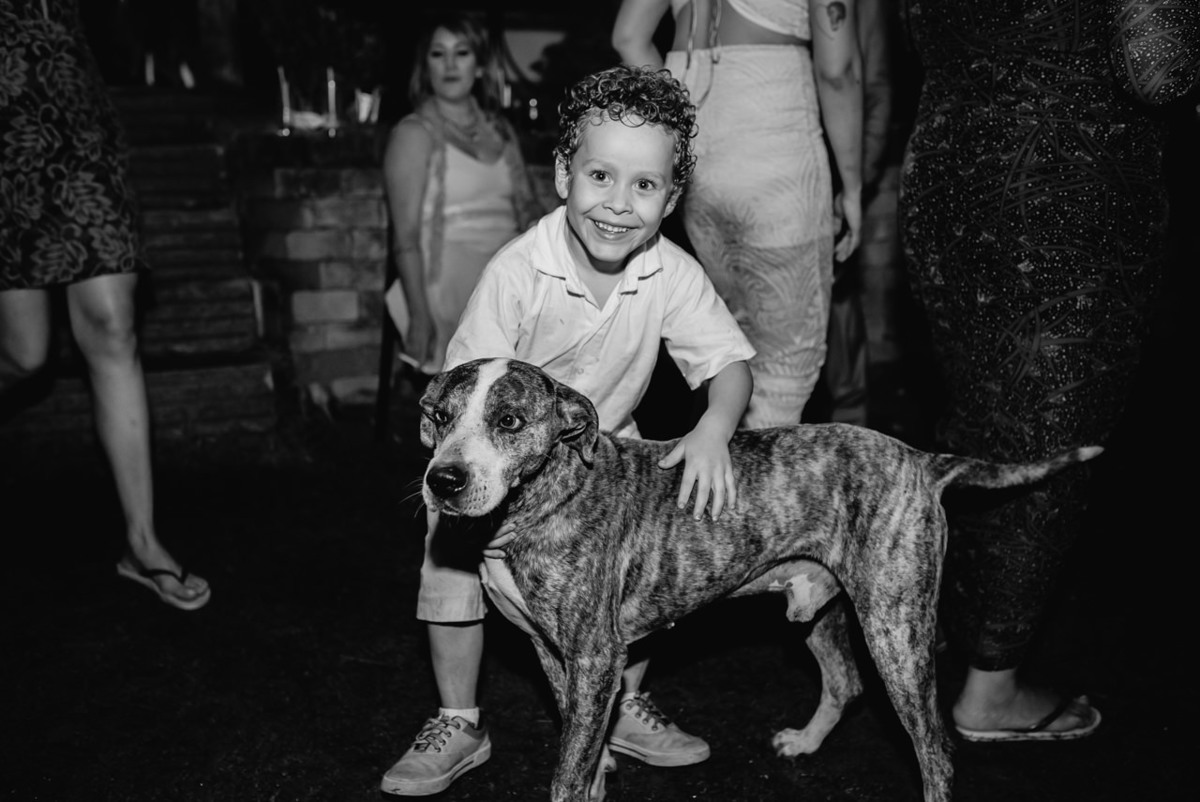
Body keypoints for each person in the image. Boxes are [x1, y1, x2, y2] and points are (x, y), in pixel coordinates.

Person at [381, 64, 755, 796]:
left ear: (671, 198)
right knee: (451, 563)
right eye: (601, 177)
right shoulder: (518, 271)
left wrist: (715, 427)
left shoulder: (671, 273)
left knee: (641, 574)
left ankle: (618, 705)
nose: (618, 204)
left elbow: (731, 364)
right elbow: (459, 394)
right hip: (490, 446)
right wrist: (463, 464)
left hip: (605, 449)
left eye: (644, 186)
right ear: (563, 175)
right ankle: (459, 719)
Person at [899, 0, 1199, 741]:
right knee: (1052, 435)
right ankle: (989, 693)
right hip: (1065, 187)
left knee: (980, 417)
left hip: (948, 173)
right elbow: (1160, 66)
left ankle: (942, 630)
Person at [0, 0, 210, 610]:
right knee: (25, 354)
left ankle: (142, 544)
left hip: (77, 120)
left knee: (114, 326)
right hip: (7, 126)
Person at [613, 0, 862, 428]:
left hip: (703, 146)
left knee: (734, 343)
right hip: (773, 131)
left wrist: (680, 120)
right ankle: (756, 490)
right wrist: (854, 185)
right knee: (787, 366)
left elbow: (629, 37)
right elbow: (838, 72)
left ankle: (722, 475)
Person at [382, 12, 543, 377]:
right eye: (438, 54)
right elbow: (405, 240)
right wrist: (419, 315)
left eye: (462, 52)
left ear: (481, 65)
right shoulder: (413, 134)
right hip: (446, 276)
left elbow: (528, 209)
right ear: (426, 66)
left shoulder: (501, 131)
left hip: (506, 267)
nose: (450, 65)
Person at [819, 0, 891, 426]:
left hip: (832, 181)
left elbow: (877, 89)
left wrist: (853, 185)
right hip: (757, 166)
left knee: (839, 324)